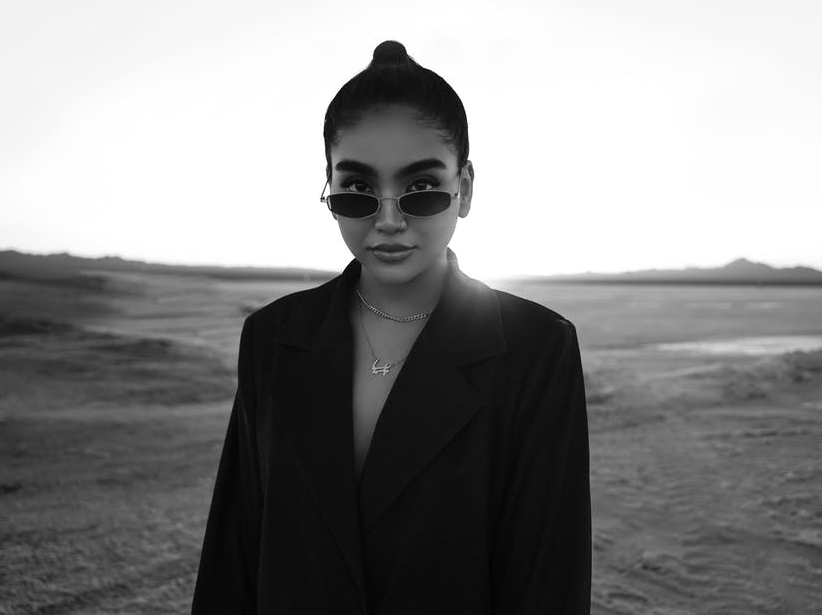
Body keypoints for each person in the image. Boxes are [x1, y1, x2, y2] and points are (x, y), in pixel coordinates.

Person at [192, 39, 592, 614]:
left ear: (467, 188)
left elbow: (547, 576)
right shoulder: (273, 337)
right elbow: (236, 547)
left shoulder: (537, 348)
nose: (388, 220)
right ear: (327, 186)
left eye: (421, 189)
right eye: (357, 190)